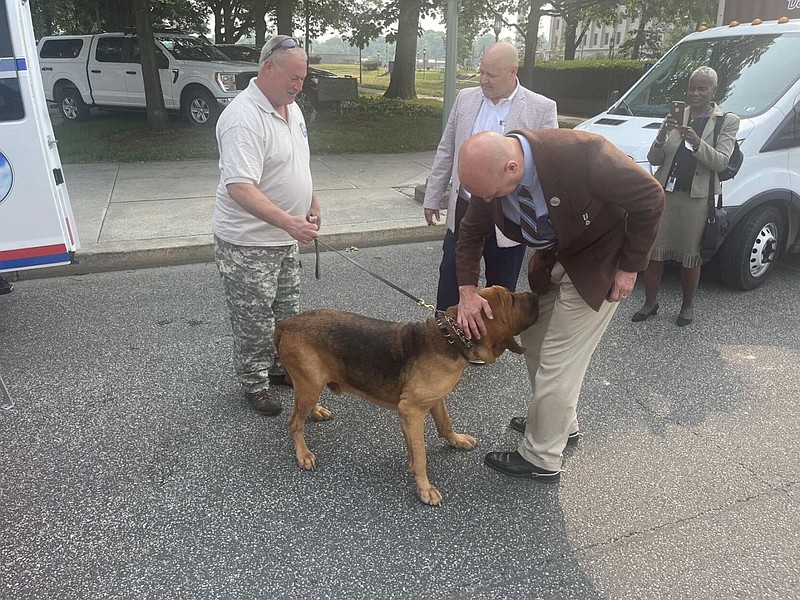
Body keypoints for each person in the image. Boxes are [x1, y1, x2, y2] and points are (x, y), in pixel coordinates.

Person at [454, 130, 664, 481]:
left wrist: (630, 268)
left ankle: (542, 456)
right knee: (534, 340)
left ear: (511, 167)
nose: (485, 200)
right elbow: (471, 232)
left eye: (490, 193)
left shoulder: (585, 155)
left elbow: (651, 197)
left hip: (600, 264)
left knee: (558, 359)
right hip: (556, 259)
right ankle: (558, 425)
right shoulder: (487, 179)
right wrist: (466, 290)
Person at [213, 35, 321, 417]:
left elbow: (298, 164)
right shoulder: (243, 117)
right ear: (267, 68)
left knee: (287, 316)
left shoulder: (292, 108)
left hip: (284, 237)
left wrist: (310, 202)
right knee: (254, 321)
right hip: (248, 244)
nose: (298, 85)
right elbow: (240, 188)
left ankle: (279, 369)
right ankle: (255, 383)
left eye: (302, 78)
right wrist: (289, 222)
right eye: (292, 76)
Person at [423, 41, 557, 313]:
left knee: (501, 286)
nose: (484, 80)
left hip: (508, 210)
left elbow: (549, 169)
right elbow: (447, 149)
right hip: (466, 204)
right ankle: (446, 340)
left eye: (492, 75)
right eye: (481, 72)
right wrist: (433, 196)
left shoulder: (540, 108)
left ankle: (487, 347)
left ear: (513, 72)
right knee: (452, 278)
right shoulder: (466, 99)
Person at [632, 66, 740, 327]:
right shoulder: (677, 115)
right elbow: (655, 158)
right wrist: (661, 134)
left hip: (696, 199)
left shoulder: (725, 120)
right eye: (692, 87)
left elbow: (722, 162)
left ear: (714, 91)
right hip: (665, 194)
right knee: (655, 252)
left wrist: (695, 142)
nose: (695, 92)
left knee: (689, 256)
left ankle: (687, 305)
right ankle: (650, 302)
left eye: (702, 88)